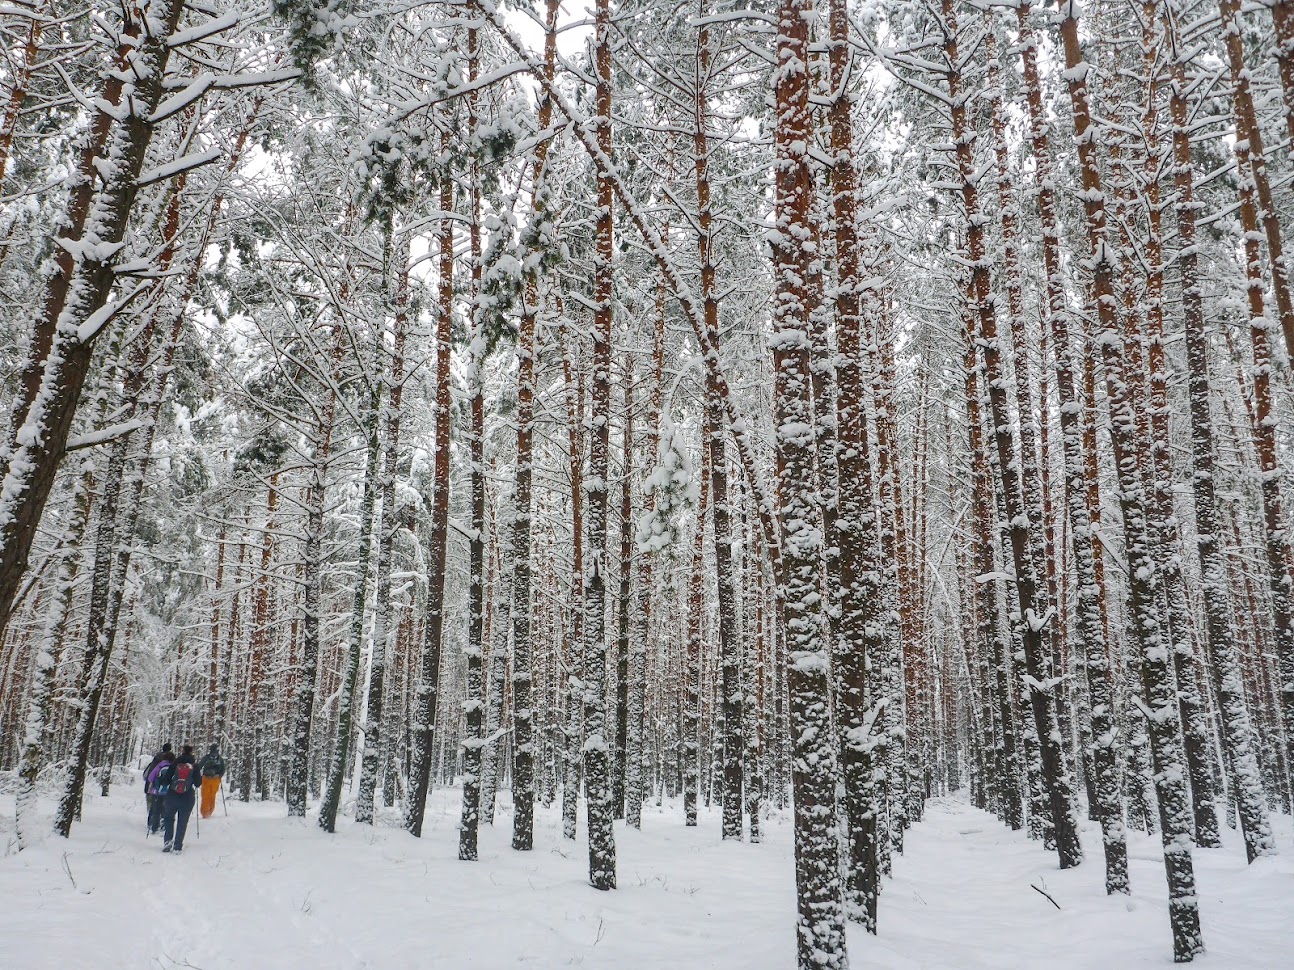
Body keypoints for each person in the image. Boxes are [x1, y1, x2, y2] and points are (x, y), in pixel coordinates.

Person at [159, 745, 199, 853]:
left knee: (168, 818)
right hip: (187, 797)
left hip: (172, 795)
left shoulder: (175, 763)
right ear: (191, 752)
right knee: (182, 821)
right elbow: (198, 783)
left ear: (182, 751)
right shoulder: (195, 766)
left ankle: (167, 841)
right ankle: (177, 846)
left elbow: (166, 780)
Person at [142, 743, 173, 835]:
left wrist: (149, 786)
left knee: (154, 806)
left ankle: (152, 824)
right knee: (165, 807)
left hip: (156, 789)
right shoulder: (172, 763)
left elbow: (149, 776)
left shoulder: (157, 761)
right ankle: (163, 825)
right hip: (168, 790)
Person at [195, 744, 226, 819]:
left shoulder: (206, 758)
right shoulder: (219, 758)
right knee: (212, 796)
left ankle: (204, 812)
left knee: (205, 796)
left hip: (206, 778)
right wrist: (219, 776)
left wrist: (197, 777)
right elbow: (223, 769)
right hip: (215, 779)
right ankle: (210, 811)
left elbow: (199, 766)